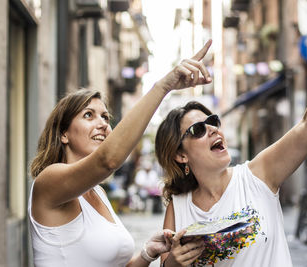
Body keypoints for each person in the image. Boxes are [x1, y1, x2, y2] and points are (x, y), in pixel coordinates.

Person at [155, 6, 307, 267]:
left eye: (212, 121)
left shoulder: (258, 176)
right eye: (198, 130)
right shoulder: (178, 208)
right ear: (180, 154)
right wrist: (173, 263)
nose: (212, 129)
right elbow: (167, 264)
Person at [28, 40, 213, 267]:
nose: (103, 124)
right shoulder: (49, 180)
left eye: (105, 118)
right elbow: (108, 160)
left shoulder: (98, 193)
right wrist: (162, 87)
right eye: (89, 115)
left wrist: (147, 254)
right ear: (63, 134)